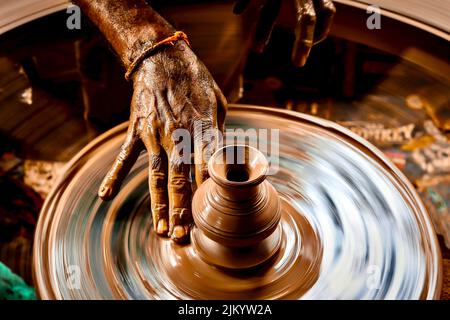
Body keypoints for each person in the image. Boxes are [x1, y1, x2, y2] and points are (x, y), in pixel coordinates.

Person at [73, 0, 335, 243]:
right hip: (125, 20)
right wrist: (145, 39)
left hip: (228, 13)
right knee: (128, 153)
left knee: (207, 119)